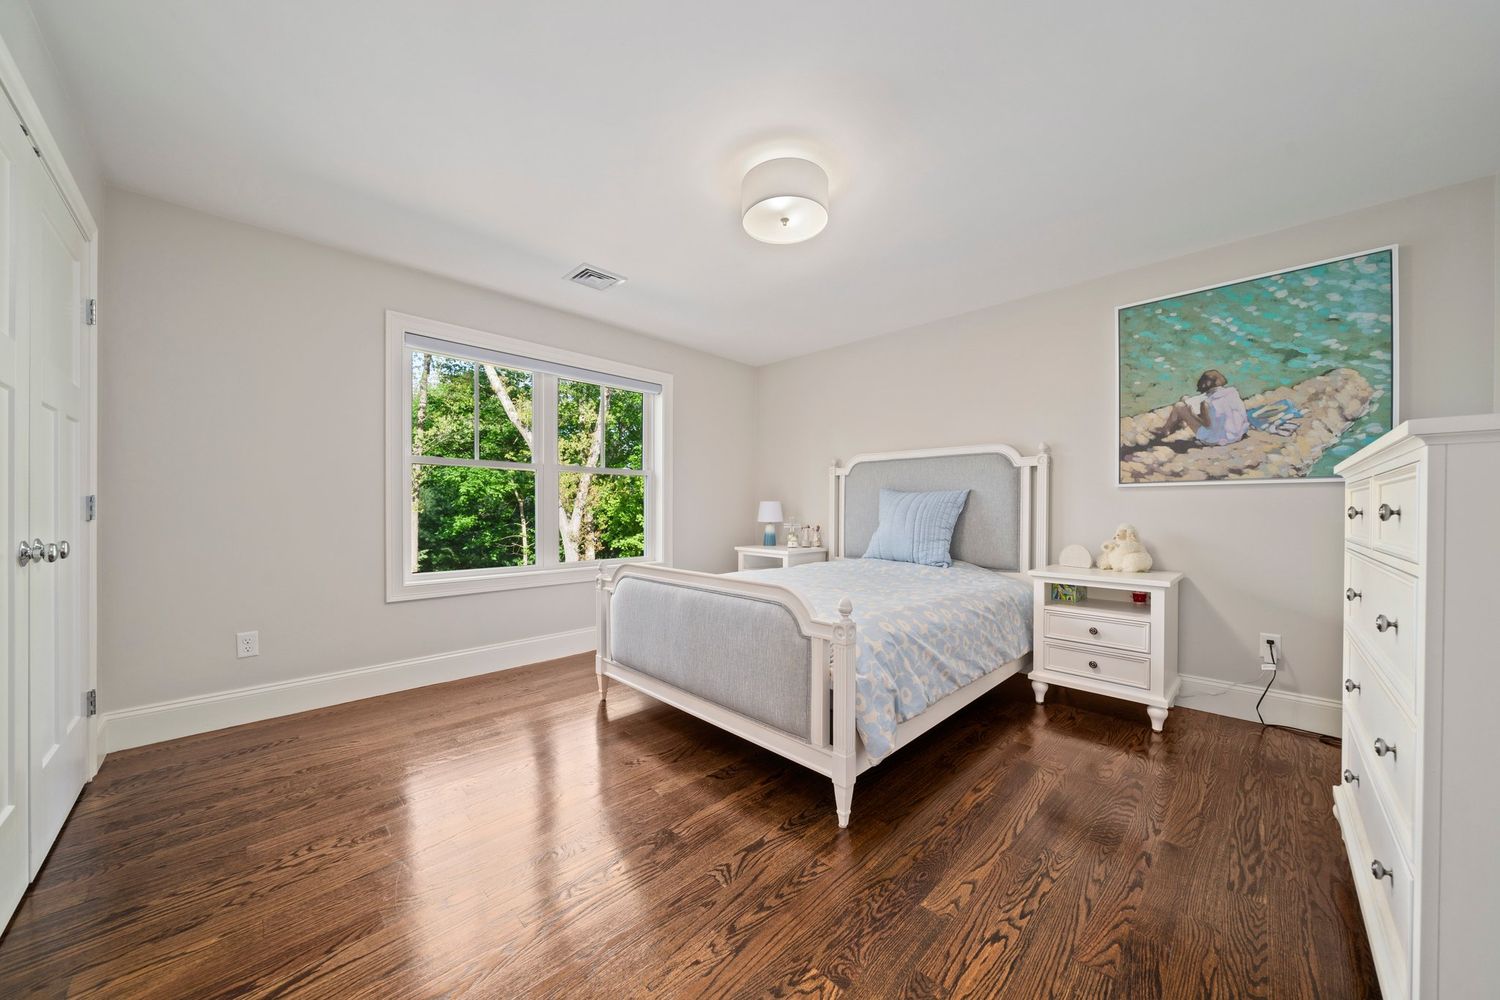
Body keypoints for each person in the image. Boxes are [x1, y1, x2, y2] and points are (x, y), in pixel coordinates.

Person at [1160, 369, 1250, 446]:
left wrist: (1192, 414)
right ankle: (1182, 423)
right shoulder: (1233, 393)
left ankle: (1166, 430)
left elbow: (1207, 424)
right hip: (1237, 434)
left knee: (1179, 406)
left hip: (1215, 439)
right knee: (1185, 398)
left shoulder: (1206, 402)